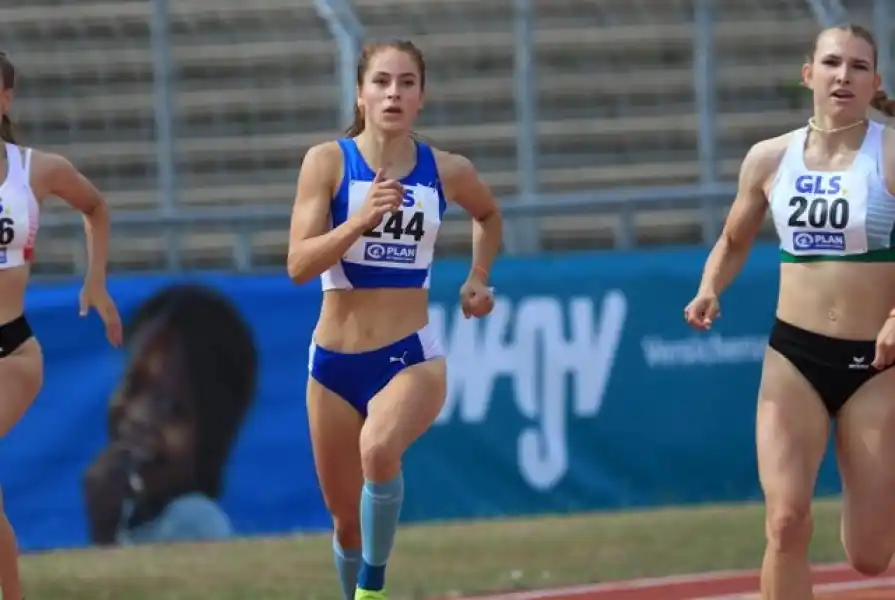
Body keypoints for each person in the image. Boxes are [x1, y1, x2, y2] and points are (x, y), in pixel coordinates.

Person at [684, 23, 895, 600]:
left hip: (876, 365)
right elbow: (733, 240)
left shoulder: (889, 153)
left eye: (858, 66)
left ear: (875, 82)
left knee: (871, 556)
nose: (843, 76)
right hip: (794, 358)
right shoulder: (769, 157)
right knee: (784, 523)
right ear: (808, 74)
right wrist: (709, 287)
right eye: (832, 63)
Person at [287, 39, 502, 600]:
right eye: (381, 82)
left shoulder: (447, 170)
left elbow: (488, 214)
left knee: (379, 449)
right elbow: (298, 265)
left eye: (407, 83)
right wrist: (358, 222)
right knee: (345, 523)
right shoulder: (327, 163)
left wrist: (478, 276)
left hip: (410, 357)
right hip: (333, 367)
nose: (393, 94)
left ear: (421, 97)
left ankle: (373, 589)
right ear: (360, 93)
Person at [0, 52, 121, 600]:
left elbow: (95, 207)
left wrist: (95, 280)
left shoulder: (35, 169)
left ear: (6, 100)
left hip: (11, 352)